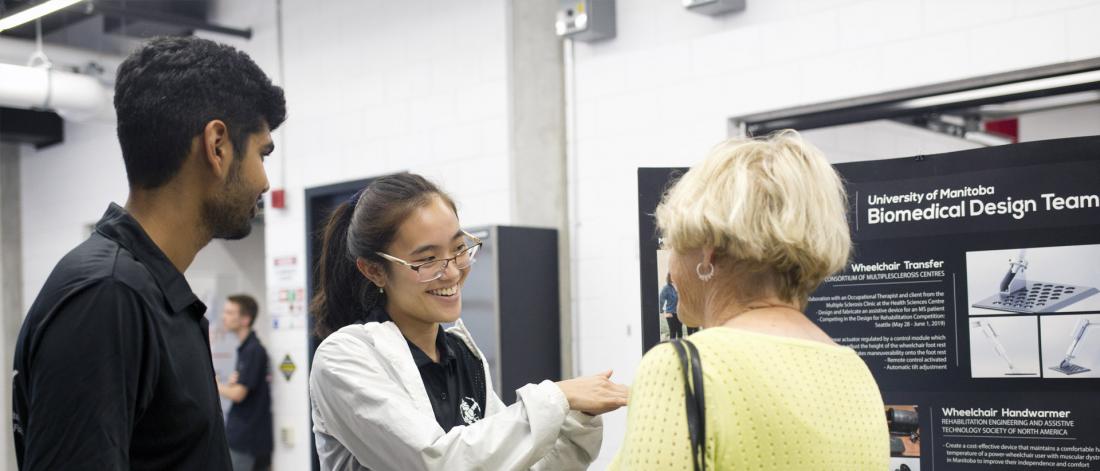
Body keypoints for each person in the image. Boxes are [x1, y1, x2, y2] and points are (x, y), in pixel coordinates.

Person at [12, 36, 285, 469]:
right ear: (217, 146)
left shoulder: (151, 292)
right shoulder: (109, 296)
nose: (265, 182)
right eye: (262, 154)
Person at [308, 173, 628, 470]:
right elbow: (436, 460)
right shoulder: (343, 359)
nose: (451, 271)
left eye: (459, 249)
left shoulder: (461, 354)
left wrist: (576, 424)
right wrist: (557, 397)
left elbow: (504, 462)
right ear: (374, 270)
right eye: (427, 259)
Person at [611, 131, 889, 469]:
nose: (669, 258)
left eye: (672, 241)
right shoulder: (854, 373)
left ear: (707, 253)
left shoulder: (684, 369)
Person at [217, 294, 274, 471]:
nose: (223, 317)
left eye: (229, 312)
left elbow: (238, 394)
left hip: (246, 438)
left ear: (245, 319)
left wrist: (214, 384)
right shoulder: (245, 349)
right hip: (243, 435)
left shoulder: (253, 350)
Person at [659, 273, 682, 339]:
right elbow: (661, 299)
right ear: (669, 277)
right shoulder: (666, 288)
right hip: (670, 313)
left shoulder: (679, 286)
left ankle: (680, 348)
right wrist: (662, 311)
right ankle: (673, 348)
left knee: (680, 332)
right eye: (672, 276)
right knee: (673, 332)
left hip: (679, 313)